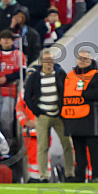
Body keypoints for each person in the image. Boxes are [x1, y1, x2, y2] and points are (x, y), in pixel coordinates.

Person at [24, 48, 76, 183]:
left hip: (59, 115)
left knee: (67, 143)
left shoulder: (60, 74)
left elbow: (67, 91)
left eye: (51, 60)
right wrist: (37, 112)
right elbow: (27, 96)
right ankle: (44, 176)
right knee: (42, 146)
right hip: (43, 115)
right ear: (41, 62)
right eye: (46, 60)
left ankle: (70, 174)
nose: (49, 63)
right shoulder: (35, 76)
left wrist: (64, 109)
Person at [62, 48, 98, 182]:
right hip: (73, 118)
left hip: (89, 118)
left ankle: (97, 175)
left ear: (90, 60)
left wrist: (84, 95)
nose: (82, 61)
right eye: (80, 58)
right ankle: (80, 175)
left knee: (93, 148)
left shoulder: (96, 75)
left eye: (85, 59)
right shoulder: (70, 75)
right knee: (78, 149)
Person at [0, 29, 26, 146]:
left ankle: (7, 145)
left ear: (12, 41)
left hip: (10, 90)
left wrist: (7, 78)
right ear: (0, 41)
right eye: (3, 38)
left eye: (8, 39)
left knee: (6, 119)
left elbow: (22, 72)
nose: (6, 41)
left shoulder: (19, 55)